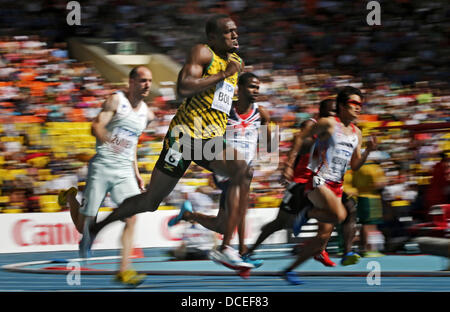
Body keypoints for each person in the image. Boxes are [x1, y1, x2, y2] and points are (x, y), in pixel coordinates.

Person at [81, 14, 256, 270]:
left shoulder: (237, 62)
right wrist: (222, 75)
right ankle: (96, 227)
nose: (235, 36)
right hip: (185, 136)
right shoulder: (203, 53)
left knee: (243, 170)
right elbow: (183, 88)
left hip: (209, 139)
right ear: (212, 37)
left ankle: (226, 247)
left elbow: (222, 100)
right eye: (229, 32)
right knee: (150, 202)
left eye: (236, 31)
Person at [58, 65, 154, 286]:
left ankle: (124, 270)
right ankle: (71, 198)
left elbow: (132, 146)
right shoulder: (115, 101)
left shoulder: (146, 114)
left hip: (124, 172)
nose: (147, 84)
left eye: (149, 80)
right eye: (142, 80)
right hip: (102, 166)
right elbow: (96, 127)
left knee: (132, 217)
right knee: (83, 226)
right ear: (131, 82)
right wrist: (112, 143)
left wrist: (136, 172)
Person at [167, 72, 272, 267]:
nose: (255, 91)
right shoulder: (225, 110)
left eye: (258, 87)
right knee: (241, 202)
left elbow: (268, 139)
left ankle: (189, 215)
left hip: (245, 167)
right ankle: (233, 250)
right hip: (225, 167)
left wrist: (266, 151)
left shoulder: (262, 113)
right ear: (239, 88)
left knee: (224, 224)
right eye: (251, 86)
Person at [243, 99, 359, 267]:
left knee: (347, 209)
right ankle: (249, 250)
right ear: (320, 114)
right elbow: (299, 142)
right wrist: (289, 165)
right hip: (301, 181)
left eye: (336, 113)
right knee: (280, 223)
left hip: (323, 182)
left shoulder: (341, 129)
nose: (334, 116)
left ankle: (338, 251)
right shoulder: (312, 125)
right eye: (330, 113)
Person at [282, 86, 377, 285]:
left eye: (360, 104)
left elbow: (355, 165)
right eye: (354, 103)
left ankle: (289, 269)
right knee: (341, 215)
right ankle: (306, 214)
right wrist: (289, 164)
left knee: (320, 241)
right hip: (318, 180)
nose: (358, 108)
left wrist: (368, 151)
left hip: (336, 185)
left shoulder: (356, 133)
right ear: (342, 106)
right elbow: (300, 136)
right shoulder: (328, 124)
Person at [352, 154, 387, 257]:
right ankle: (370, 249)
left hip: (361, 197)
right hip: (372, 198)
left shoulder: (358, 168)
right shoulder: (375, 168)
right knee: (371, 224)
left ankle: (363, 248)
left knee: (364, 224)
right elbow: (379, 184)